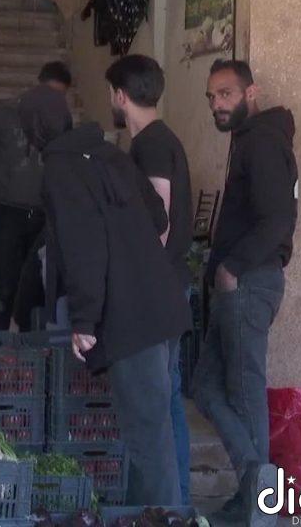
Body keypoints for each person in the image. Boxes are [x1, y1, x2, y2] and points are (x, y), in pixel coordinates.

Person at [43, 115, 191, 506]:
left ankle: (169, 516)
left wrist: (84, 320)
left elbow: (83, 248)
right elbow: (160, 216)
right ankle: (153, 514)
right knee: (155, 432)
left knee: (148, 440)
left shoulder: (62, 168)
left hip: (131, 318)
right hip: (165, 304)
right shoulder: (114, 156)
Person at [195, 59, 298, 526]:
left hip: (250, 282)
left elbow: (277, 219)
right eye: (213, 96)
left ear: (250, 93)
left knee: (243, 390)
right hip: (240, 282)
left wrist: (233, 268)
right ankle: (256, 484)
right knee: (205, 384)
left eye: (226, 95)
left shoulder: (263, 143)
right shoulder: (249, 142)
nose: (217, 104)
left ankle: (261, 496)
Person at [106, 54, 194, 505]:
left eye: (111, 94)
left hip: (161, 290)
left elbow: (156, 222)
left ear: (121, 96)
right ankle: (177, 505)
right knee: (168, 400)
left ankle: (171, 507)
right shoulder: (159, 140)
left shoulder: (152, 145)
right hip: (170, 288)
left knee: (159, 407)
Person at [0, 61, 73, 331]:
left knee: (37, 286)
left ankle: (31, 348)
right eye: (50, 94)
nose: (52, 102)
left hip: (44, 217)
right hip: (7, 213)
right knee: (5, 284)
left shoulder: (60, 121)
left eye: (59, 97)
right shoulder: (3, 116)